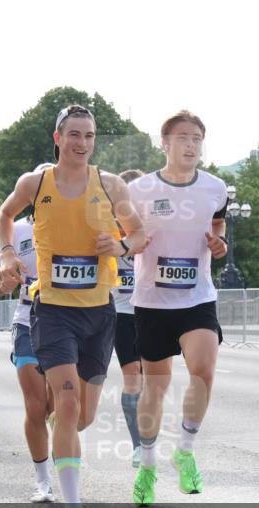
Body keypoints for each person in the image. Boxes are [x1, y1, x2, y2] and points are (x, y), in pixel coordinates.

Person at [0, 105, 145, 508]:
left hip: (99, 312)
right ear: (58, 138)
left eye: (89, 135)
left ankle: (60, 440)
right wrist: (7, 254)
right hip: (52, 309)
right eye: (74, 134)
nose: (82, 143)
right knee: (67, 403)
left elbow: (139, 234)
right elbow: (4, 216)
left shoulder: (111, 185)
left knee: (83, 416)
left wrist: (120, 246)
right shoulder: (35, 183)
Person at [127, 111, 229, 507]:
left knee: (203, 370)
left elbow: (217, 224)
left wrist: (218, 243)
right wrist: (133, 241)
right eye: (183, 137)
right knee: (156, 385)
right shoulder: (139, 190)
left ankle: (184, 450)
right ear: (165, 143)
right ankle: (148, 464)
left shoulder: (215, 187)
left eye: (197, 139)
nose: (191, 145)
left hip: (197, 297)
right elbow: (124, 232)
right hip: (152, 300)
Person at [0, 163, 57, 502]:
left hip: (66, 323)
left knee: (57, 405)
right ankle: (43, 480)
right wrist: (1, 283)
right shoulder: (15, 231)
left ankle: (59, 437)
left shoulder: (74, 226)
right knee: (35, 404)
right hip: (28, 321)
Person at [116, 169, 146, 468]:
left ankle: (147, 437)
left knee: (153, 380)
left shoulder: (152, 226)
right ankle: (138, 445)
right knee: (133, 375)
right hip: (120, 312)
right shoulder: (106, 225)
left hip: (151, 310)